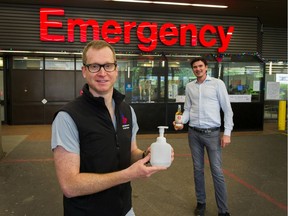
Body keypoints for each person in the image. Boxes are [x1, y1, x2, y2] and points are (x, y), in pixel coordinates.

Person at [51, 40, 172, 216]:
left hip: (125, 209)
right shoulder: (68, 117)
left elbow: (131, 152)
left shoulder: (127, 110)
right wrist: (129, 174)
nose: (102, 73)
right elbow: (70, 185)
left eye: (108, 65)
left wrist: (147, 155)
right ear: (84, 71)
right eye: (94, 66)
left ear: (116, 70)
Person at [173, 57, 233, 216]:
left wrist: (227, 133)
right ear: (192, 69)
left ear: (206, 67)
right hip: (193, 134)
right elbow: (187, 109)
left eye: (200, 66)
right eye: (195, 67)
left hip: (213, 134)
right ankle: (201, 203)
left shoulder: (217, 84)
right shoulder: (189, 87)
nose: (198, 69)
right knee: (198, 169)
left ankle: (223, 210)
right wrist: (181, 122)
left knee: (217, 172)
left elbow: (227, 110)